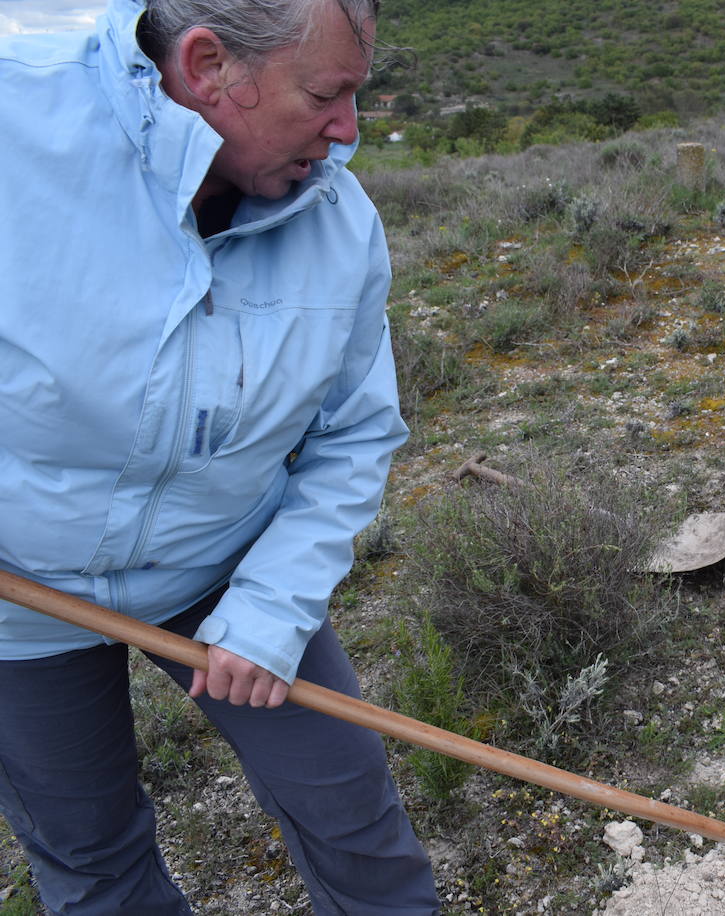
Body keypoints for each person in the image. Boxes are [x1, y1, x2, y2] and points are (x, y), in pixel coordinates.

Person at [0, 0, 441, 912]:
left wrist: (271, 610)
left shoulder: (337, 221)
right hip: (20, 590)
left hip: (225, 550)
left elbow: (354, 434)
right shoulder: (18, 127)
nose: (349, 130)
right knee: (90, 857)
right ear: (207, 67)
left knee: (352, 813)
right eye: (326, 93)